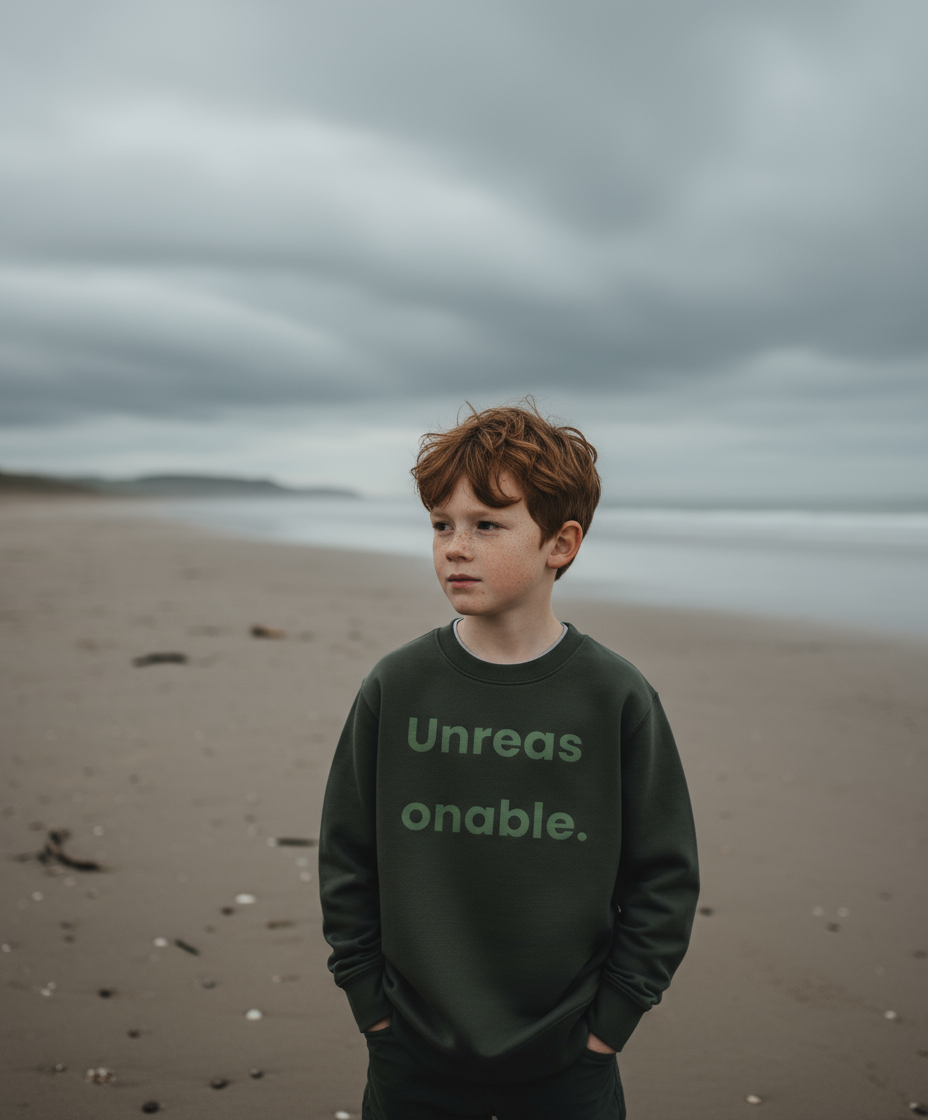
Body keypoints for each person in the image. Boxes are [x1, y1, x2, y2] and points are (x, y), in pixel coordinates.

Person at [319, 402, 699, 1119]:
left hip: (569, 1058)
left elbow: (664, 876)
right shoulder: (396, 687)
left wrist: (609, 1025)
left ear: (561, 542)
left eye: (486, 525)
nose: (454, 548)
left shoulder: (613, 696)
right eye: (441, 525)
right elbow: (348, 856)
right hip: (411, 1051)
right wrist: (370, 1003)